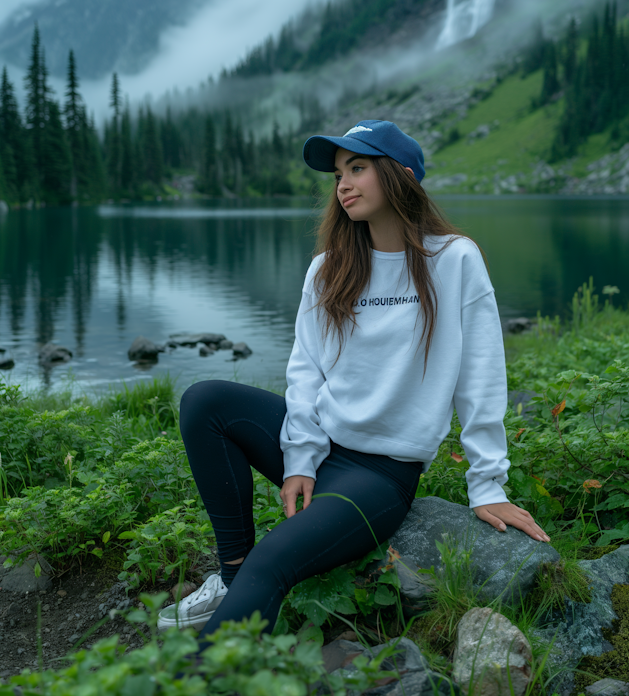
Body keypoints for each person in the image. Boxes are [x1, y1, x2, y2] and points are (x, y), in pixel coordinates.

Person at [157, 119, 549, 641]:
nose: (342, 183)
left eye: (358, 168)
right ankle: (230, 580)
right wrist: (299, 456)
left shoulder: (454, 259)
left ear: (401, 176)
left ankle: (215, 665)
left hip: (380, 475)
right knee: (206, 400)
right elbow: (305, 370)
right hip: (322, 447)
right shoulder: (329, 267)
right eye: (339, 172)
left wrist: (487, 484)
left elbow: (481, 376)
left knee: (271, 563)